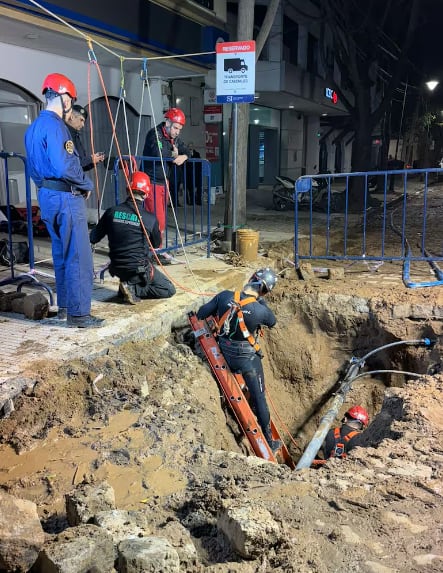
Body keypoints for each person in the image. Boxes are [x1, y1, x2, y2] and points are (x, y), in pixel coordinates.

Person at [24, 73, 104, 329]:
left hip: (46, 196)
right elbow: (63, 165)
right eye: (70, 97)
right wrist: (85, 183)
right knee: (78, 255)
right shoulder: (58, 127)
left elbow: (35, 169)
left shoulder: (33, 127)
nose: (70, 102)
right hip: (66, 198)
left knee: (61, 254)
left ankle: (66, 308)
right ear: (63, 97)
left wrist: (47, 189)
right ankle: (80, 316)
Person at [196, 268, 281, 453]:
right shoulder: (261, 310)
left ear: (251, 279)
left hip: (224, 354)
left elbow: (201, 313)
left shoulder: (225, 296)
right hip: (246, 361)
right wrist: (260, 302)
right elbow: (272, 322)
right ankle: (269, 441)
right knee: (259, 398)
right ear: (264, 291)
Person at [89, 170, 176, 304]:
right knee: (168, 289)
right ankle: (134, 288)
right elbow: (155, 244)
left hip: (117, 267)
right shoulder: (150, 219)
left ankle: (127, 285)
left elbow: (93, 237)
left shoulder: (111, 212)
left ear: (127, 190)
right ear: (146, 194)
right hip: (139, 269)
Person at [141, 108, 189, 244]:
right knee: (157, 218)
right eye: (175, 128)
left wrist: (184, 156)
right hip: (152, 181)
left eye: (179, 129)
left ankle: (158, 247)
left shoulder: (174, 138)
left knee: (162, 217)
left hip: (164, 181)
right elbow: (159, 153)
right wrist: (175, 154)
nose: (177, 132)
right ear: (167, 123)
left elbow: (186, 150)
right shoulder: (155, 134)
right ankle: (155, 249)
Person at [65, 104, 105, 171]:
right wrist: (90, 159)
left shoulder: (75, 136)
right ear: (72, 117)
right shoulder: (64, 134)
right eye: (81, 120)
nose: (83, 125)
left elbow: (81, 166)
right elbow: (70, 163)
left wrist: (93, 161)